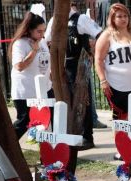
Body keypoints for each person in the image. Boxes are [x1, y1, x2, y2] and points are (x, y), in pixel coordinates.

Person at [45, 1, 102, 150]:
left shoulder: (81, 19)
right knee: (65, 101)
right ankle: (71, 135)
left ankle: (87, 137)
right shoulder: (54, 20)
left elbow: (100, 33)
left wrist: (94, 50)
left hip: (79, 65)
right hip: (61, 66)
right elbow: (46, 40)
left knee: (83, 100)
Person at [94, 3, 131, 160]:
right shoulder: (107, 35)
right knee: (120, 118)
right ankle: (121, 149)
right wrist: (102, 80)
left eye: (125, 16)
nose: (123, 19)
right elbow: (99, 60)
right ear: (112, 18)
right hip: (115, 84)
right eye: (119, 16)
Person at [9, 11, 52, 139]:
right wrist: (33, 51)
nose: (42, 35)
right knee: (24, 122)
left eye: (44, 31)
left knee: (47, 122)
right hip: (25, 91)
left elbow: (45, 61)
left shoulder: (42, 42)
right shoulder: (20, 44)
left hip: (45, 89)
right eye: (39, 31)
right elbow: (19, 66)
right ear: (29, 30)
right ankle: (6, 148)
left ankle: (45, 153)